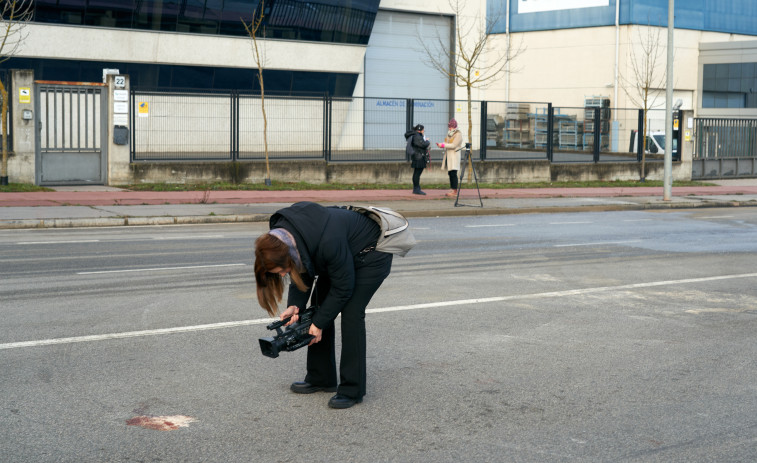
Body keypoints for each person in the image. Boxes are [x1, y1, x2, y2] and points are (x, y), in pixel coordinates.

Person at [254, 201, 393, 409]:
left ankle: (352, 390)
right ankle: (321, 378)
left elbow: (344, 287)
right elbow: (305, 266)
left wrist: (319, 324)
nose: (283, 275)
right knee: (318, 308)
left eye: (282, 270)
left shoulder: (328, 241)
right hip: (340, 254)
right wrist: (295, 306)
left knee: (351, 313)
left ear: (289, 256)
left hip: (370, 253)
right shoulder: (283, 238)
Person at [436, 119, 463, 197]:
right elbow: (447, 143)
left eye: (451, 126)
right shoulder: (449, 134)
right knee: (450, 173)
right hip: (449, 156)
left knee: (453, 173)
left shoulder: (458, 134)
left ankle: (454, 191)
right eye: (449, 126)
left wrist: (443, 145)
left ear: (454, 126)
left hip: (454, 156)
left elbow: (454, 145)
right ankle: (452, 188)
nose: (449, 128)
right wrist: (441, 144)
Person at [404, 124, 431, 195]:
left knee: (417, 173)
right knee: (417, 174)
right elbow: (423, 144)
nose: (423, 131)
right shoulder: (417, 136)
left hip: (417, 156)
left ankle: (417, 188)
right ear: (420, 130)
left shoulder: (416, 135)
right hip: (419, 157)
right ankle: (416, 189)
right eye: (423, 130)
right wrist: (427, 142)